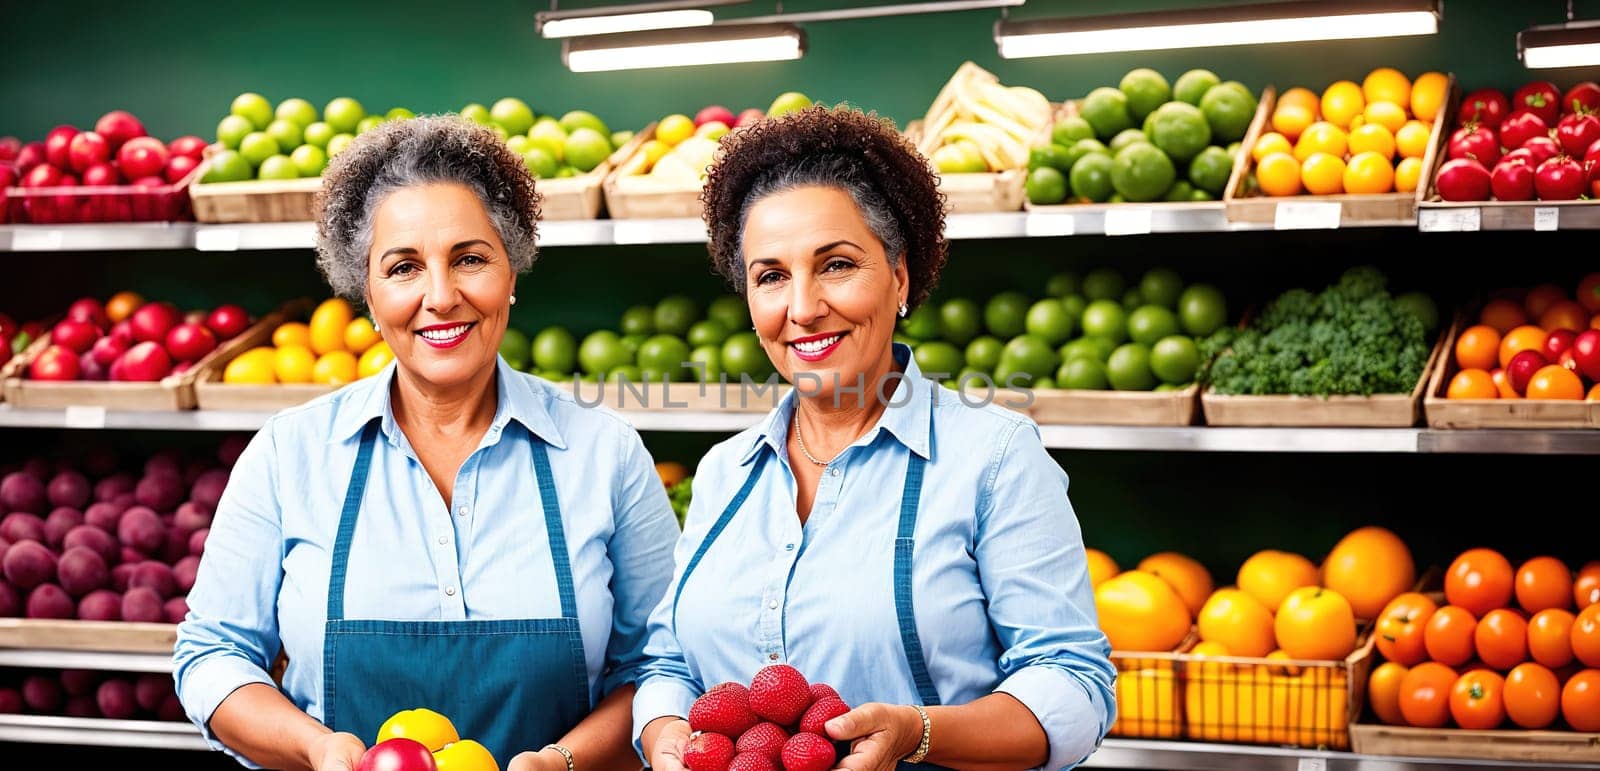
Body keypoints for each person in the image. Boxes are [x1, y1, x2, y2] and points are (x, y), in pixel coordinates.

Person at [174, 116, 680, 771]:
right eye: (404, 266)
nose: (441, 296)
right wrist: (317, 747)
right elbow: (212, 653)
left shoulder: (604, 454)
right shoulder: (288, 455)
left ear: (512, 270)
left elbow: (662, 660)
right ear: (367, 293)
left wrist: (562, 760)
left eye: (470, 258)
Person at [634, 106, 1116, 771]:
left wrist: (918, 730)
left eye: (835, 264)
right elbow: (668, 663)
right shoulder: (725, 471)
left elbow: (1073, 684)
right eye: (771, 275)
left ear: (899, 277)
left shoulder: (995, 458)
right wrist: (664, 735)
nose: (802, 308)